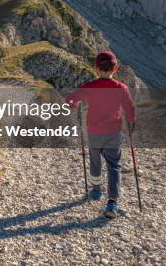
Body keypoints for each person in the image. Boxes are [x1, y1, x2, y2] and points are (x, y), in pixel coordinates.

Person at [66, 51, 136, 218]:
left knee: (95, 161)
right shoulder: (122, 88)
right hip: (113, 132)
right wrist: (131, 124)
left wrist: (74, 105)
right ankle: (112, 202)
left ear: (96, 69)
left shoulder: (89, 87)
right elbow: (130, 109)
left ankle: (96, 190)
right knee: (114, 165)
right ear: (116, 68)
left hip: (94, 132)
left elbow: (70, 100)